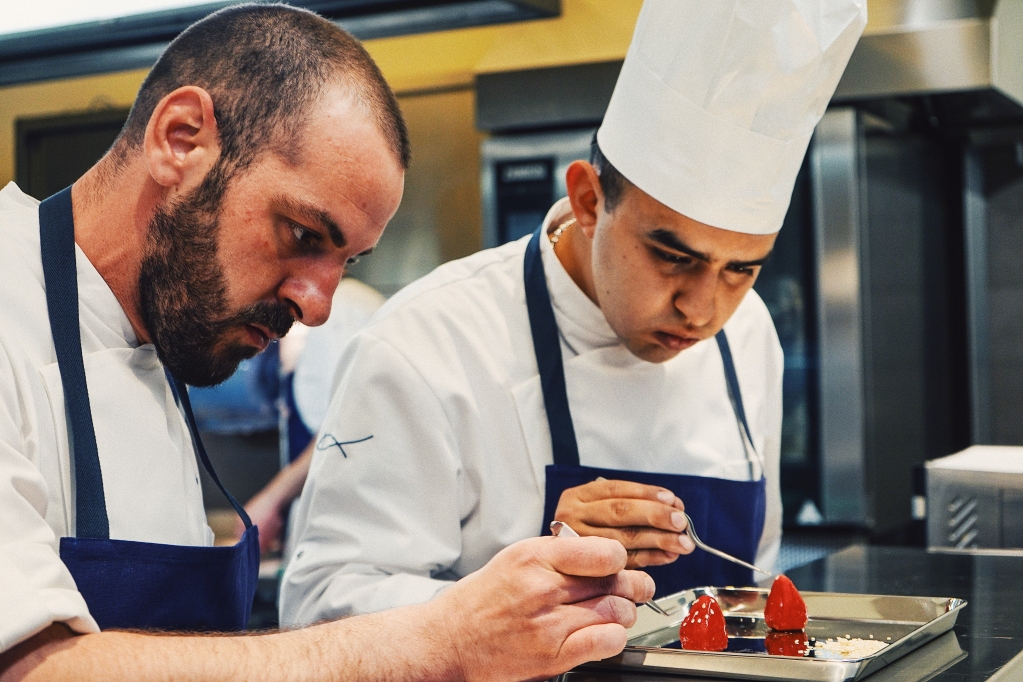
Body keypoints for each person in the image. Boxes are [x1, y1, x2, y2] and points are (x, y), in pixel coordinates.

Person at [0, 6, 653, 681]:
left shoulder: (163, 334)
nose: (317, 307)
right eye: (303, 236)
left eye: (346, 262)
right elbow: (31, 669)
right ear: (180, 139)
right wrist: (440, 640)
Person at [280, 0, 866, 625]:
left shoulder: (749, 336)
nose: (703, 310)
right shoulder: (426, 344)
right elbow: (320, 612)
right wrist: (519, 583)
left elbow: (753, 588)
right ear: (588, 199)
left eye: (741, 269)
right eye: (672, 257)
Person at [243, 277, 385, 553]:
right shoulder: (310, 330)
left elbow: (345, 426)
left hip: (352, 534)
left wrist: (270, 500)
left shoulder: (340, 308)